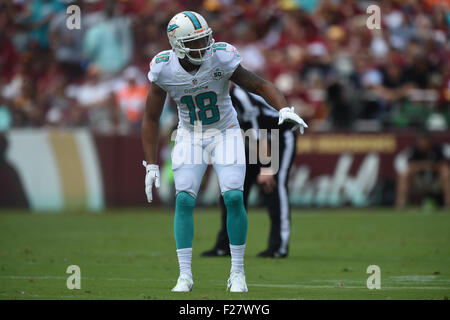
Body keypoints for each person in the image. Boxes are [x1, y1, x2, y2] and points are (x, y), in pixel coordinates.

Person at [141, 11, 307, 293]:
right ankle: (184, 275)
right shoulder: (163, 68)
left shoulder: (221, 57)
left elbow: (259, 84)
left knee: (232, 196)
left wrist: (284, 108)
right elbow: (151, 117)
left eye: (205, 38)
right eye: (195, 42)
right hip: (190, 135)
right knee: (183, 200)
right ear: (178, 45)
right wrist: (151, 164)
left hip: (225, 132)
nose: (204, 45)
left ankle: (238, 273)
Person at [202, 84, 298, 258]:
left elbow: (259, 132)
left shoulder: (242, 97)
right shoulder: (213, 98)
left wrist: (267, 167)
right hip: (250, 141)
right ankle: (225, 245)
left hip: (279, 136)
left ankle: (279, 247)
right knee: (232, 190)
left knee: (276, 189)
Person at [395, 131, 450, 210]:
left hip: (436, 181)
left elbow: (443, 165)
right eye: (420, 141)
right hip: (418, 181)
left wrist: (431, 166)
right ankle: (400, 206)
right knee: (404, 175)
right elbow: (410, 166)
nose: (422, 143)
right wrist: (424, 165)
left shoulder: (438, 149)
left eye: (424, 141)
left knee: (446, 173)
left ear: (429, 141)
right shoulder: (414, 150)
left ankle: (448, 205)